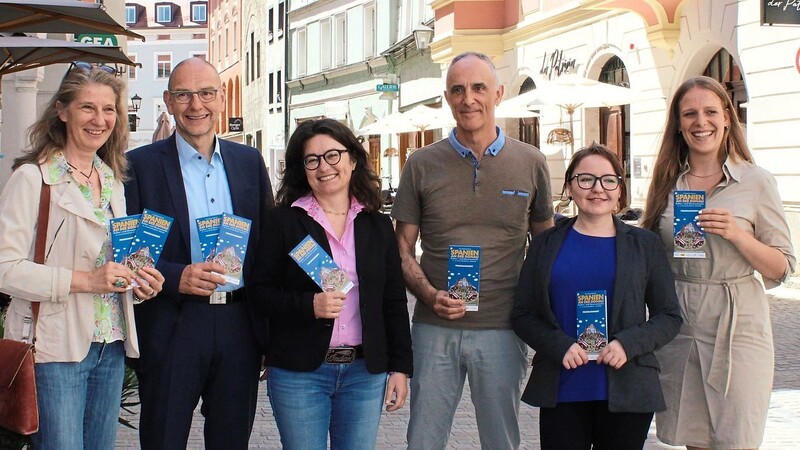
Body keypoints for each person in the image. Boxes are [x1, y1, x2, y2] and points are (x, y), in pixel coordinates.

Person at [391, 51, 554, 449]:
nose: (469, 99)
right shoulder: (421, 164)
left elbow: (546, 246)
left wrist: (533, 309)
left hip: (502, 328)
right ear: (447, 97)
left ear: (497, 93)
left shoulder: (531, 162)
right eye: (458, 90)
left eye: (479, 88)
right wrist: (429, 295)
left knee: (501, 441)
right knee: (423, 441)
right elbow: (401, 250)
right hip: (434, 329)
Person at [0, 63, 164, 449]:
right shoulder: (33, 178)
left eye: (109, 109)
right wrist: (87, 281)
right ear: (62, 110)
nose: (99, 119)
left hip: (111, 343)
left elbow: (113, 261)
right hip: (56, 347)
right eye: (87, 107)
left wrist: (141, 281)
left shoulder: (112, 179)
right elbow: (5, 268)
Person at [124, 57, 274, 449]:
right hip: (172, 324)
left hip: (238, 325)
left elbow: (265, 246)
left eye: (207, 93)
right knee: (163, 439)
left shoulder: (249, 162)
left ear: (222, 99)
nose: (197, 105)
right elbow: (129, 253)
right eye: (185, 95)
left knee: (230, 440)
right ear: (169, 102)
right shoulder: (139, 166)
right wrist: (177, 276)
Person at [641, 76, 796, 450]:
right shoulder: (667, 181)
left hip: (737, 323)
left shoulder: (756, 181)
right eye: (689, 113)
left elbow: (783, 266)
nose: (701, 122)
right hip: (680, 322)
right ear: (678, 124)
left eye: (710, 111)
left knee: (736, 438)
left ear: (727, 118)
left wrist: (738, 234)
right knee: (694, 437)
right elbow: (648, 255)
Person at [247, 118, 413, 449]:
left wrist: (400, 369)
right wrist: (308, 305)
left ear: (353, 159)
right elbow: (258, 294)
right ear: (302, 169)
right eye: (313, 160)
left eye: (333, 155)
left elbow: (393, 301)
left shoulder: (377, 225)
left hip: (364, 374)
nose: (324, 167)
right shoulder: (284, 222)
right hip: (300, 372)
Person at [510, 143, 683, 450]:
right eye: (585, 179)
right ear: (569, 186)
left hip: (627, 385)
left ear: (620, 189)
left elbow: (668, 316)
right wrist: (559, 345)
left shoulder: (645, 245)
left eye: (608, 180)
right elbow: (523, 314)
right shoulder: (544, 245)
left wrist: (627, 344)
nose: (597, 189)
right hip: (564, 385)